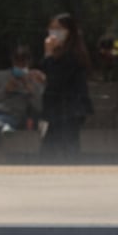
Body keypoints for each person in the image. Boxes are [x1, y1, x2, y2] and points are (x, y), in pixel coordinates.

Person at [36, 12, 92, 162]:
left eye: (59, 28)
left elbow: (57, 78)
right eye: (51, 28)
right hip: (57, 110)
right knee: (51, 151)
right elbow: (51, 74)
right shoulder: (59, 53)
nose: (54, 32)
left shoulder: (73, 54)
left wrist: (48, 53)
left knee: (66, 150)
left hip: (69, 110)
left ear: (69, 31)